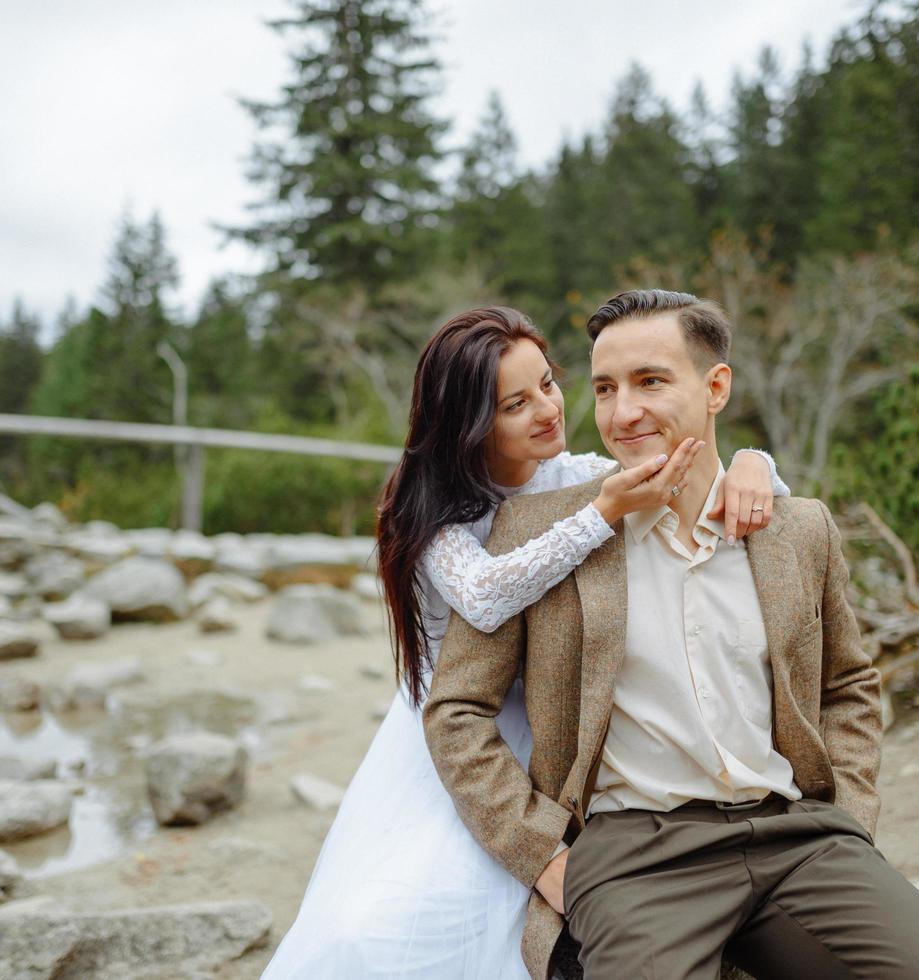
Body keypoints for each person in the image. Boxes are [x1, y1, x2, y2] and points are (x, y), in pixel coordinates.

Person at [423, 290, 919, 980]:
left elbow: (849, 685)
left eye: (651, 381)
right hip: (636, 857)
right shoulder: (540, 531)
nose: (622, 411)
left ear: (715, 386)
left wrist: (849, 815)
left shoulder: (798, 528)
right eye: (605, 389)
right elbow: (456, 710)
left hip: (801, 838)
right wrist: (540, 856)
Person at [260, 306, 790, 979]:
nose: (548, 410)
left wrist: (753, 463)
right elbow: (484, 597)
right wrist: (603, 514)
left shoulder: (572, 472)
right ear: (470, 426)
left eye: (547, 384)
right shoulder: (428, 508)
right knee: (408, 915)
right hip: (462, 724)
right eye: (516, 403)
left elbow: (688, 469)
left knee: (555, 910)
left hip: (553, 709)